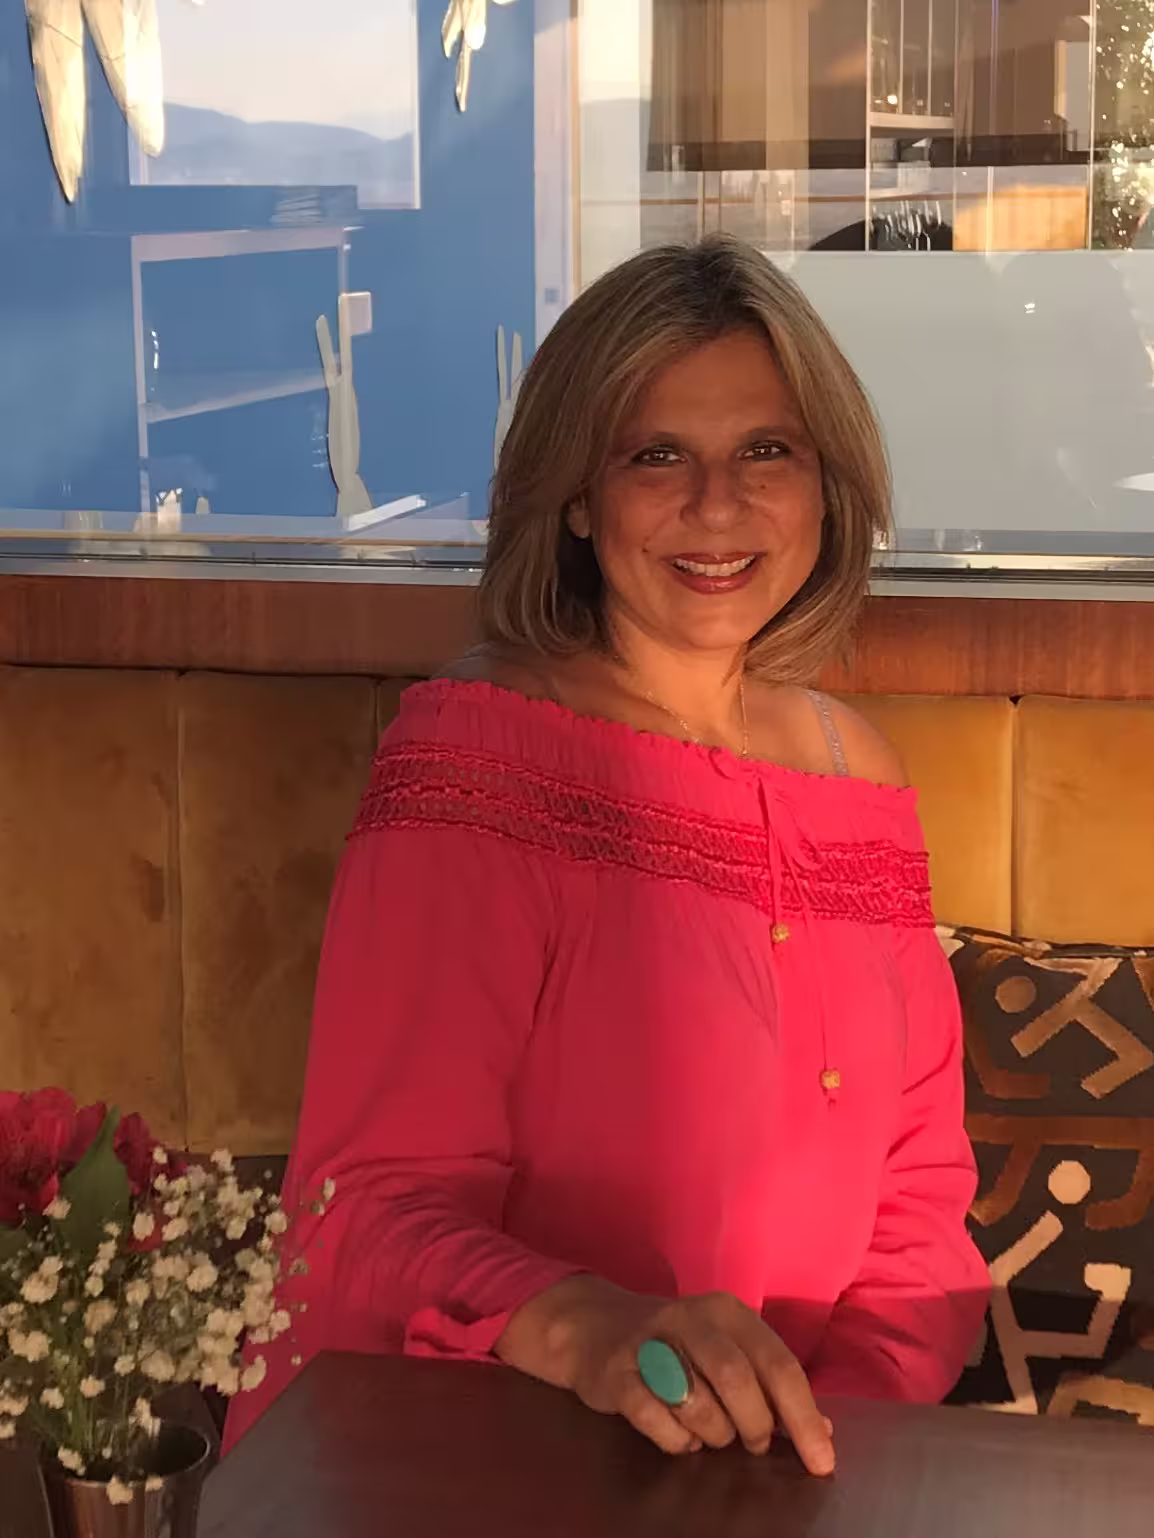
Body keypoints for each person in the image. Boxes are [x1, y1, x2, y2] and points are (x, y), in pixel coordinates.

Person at [225, 236, 988, 1471]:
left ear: (823, 483)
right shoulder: (474, 759)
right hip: (509, 1460)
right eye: (655, 456)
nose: (717, 507)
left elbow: (917, 1189)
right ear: (575, 496)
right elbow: (369, 1203)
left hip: (807, 1472)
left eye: (765, 451)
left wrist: (816, 1429)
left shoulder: (862, 775)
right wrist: (595, 1329)